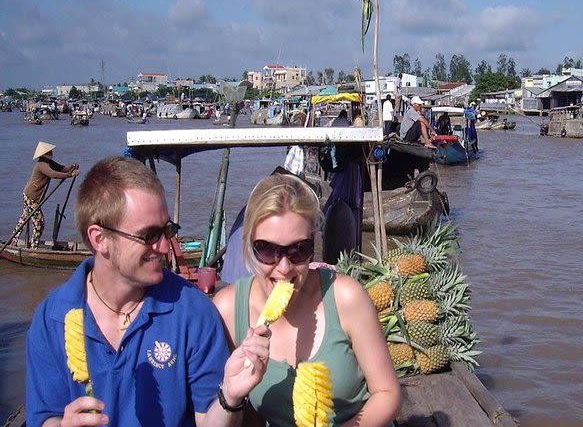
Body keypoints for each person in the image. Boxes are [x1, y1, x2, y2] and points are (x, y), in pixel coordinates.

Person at [26, 156, 271, 427]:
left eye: (167, 230)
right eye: (149, 236)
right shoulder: (52, 317)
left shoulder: (192, 311)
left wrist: (230, 398)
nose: (165, 247)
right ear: (100, 239)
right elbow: (45, 415)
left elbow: (209, 420)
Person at [213, 173, 401, 426]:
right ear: (248, 244)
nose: (284, 267)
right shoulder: (227, 309)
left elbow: (387, 394)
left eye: (298, 250)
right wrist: (232, 395)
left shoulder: (345, 297)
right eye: (267, 250)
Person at [10, 141, 79, 248]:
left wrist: (72, 166)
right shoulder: (41, 165)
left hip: (31, 196)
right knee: (39, 222)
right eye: (49, 152)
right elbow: (53, 174)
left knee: (24, 218)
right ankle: (33, 247)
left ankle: (14, 241)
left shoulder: (49, 163)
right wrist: (70, 175)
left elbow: (62, 168)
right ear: (44, 154)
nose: (51, 153)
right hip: (31, 197)